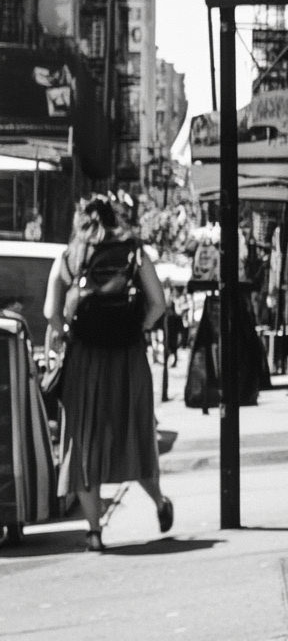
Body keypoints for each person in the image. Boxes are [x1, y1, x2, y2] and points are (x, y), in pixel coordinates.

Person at [43, 196, 173, 552]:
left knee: (83, 440)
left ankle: (94, 532)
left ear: (80, 221)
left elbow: (50, 312)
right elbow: (159, 303)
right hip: (128, 358)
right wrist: (138, 329)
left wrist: (70, 333)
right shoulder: (133, 251)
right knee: (134, 433)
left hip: (85, 359)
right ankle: (160, 502)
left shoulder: (70, 256)